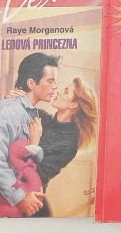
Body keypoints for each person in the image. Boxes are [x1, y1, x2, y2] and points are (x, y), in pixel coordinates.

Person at [0, 53, 59, 217]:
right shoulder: (7, 111)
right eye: (50, 81)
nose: (55, 87)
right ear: (31, 83)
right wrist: (20, 197)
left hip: (4, 201)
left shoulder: (29, 114)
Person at [5, 76, 99, 217]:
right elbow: (17, 111)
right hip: (13, 196)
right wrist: (10, 100)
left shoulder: (68, 145)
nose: (59, 91)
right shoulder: (43, 118)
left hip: (32, 208)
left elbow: (37, 176)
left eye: (66, 91)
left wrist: (34, 144)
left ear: (73, 104)